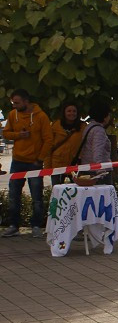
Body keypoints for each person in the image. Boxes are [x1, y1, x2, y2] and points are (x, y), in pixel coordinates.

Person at [2, 89, 53, 238]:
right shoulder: (13, 115)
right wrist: (18, 135)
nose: (14, 106)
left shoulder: (41, 116)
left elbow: (48, 139)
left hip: (34, 163)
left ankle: (36, 226)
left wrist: (40, 159)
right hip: (17, 161)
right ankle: (14, 225)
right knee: (13, 195)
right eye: (13, 103)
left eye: (17, 103)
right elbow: (5, 133)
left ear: (26, 101)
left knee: (36, 196)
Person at [46, 101, 84, 187]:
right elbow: (49, 146)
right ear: (64, 112)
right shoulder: (55, 126)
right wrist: (48, 166)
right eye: (69, 111)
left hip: (75, 165)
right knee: (57, 191)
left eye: (74, 111)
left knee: (77, 191)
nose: (72, 113)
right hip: (57, 165)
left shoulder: (83, 127)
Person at [77, 101, 114, 185]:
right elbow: (98, 152)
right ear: (104, 117)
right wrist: (101, 171)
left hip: (87, 168)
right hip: (98, 172)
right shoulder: (99, 131)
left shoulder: (89, 127)